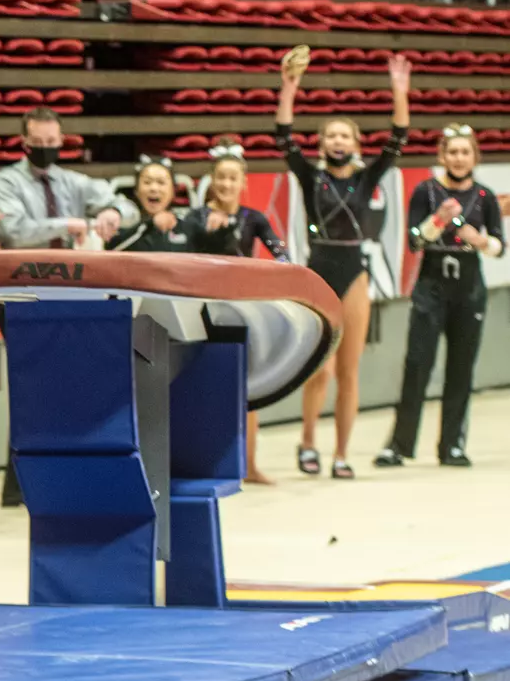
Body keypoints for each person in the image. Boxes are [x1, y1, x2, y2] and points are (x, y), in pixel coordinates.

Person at [0, 107, 136, 505]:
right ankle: (17, 483)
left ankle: (60, 473)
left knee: (67, 386)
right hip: (21, 293)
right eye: (40, 144)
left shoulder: (71, 181)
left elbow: (128, 207)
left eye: (54, 143)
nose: (48, 149)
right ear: (25, 142)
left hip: (67, 292)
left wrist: (110, 213)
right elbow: (10, 229)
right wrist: (66, 226)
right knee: (30, 387)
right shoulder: (7, 181)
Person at [276, 45, 410, 480]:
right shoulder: (310, 176)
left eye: (345, 136)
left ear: (355, 144)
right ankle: (308, 441)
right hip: (319, 273)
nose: (337, 141)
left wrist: (398, 91)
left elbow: (398, 140)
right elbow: (283, 137)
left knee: (349, 371)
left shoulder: (368, 176)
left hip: (354, 273)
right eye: (331, 135)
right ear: (322, 143)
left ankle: (342, 453)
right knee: (322, 369)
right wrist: (289, 89)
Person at [376, 124, 503, 470]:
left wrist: (480, 241)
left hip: (469, 288)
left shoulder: (485, 197)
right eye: (453, 152)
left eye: (465, 152)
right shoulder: (426, 191)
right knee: (417, 364)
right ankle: (399, 445)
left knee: (461, 369)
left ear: (474, 156)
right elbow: (415, 240)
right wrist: (437, 221)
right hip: (431, 285)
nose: (459, 158)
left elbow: (498, 247)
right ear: (442, 156)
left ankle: (453, 445)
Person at [179, 137, 290, 486]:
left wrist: (277, 273)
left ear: (244, 183)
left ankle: (249, 464)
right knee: (199, 386)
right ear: (212, 180)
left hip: (241, 312)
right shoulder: (195, 218)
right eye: (221, 177)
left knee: (246, 391)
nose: (227, 184)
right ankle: (200, 461)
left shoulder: (253, 219)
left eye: (233, 178)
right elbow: (184, 255)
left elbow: (281, 254)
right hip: (200, 310)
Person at [106, 158, 189, 252]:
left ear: (173, 191)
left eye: (161, 182)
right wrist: (149, 224)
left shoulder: (186, 227)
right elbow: (110, 250)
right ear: (136, 190)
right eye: (147, 182)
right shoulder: (123, 225)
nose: (153, 188)